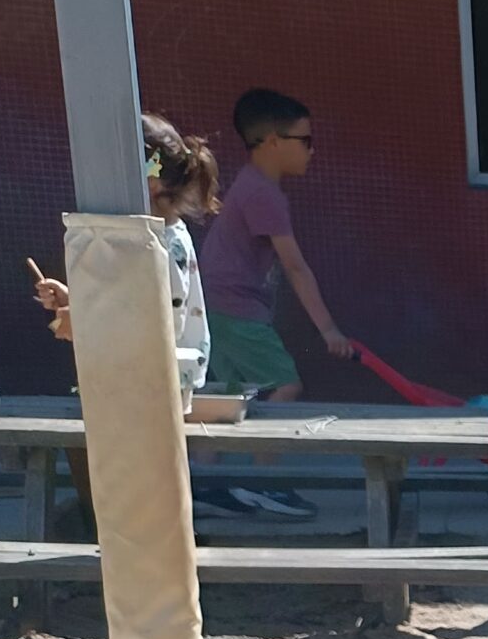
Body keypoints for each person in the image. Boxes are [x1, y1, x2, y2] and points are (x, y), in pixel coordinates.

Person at [30, 114, 311, 523]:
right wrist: (74, 303)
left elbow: (152, 323)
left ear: (149, 179)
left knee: (143, 501)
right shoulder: (157, 236)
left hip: (155, 383)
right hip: (152, 381)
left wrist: (84, 324)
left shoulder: (159, 244)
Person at [197, 88, 349, 405]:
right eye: (305, 141)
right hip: (235, 309)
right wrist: (329, 330)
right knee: (287, 385)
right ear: (273, 142)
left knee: (232, 396)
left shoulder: (253, 183)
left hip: (216, 306)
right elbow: (295, 267)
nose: (311, 150)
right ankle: (265, 441)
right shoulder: (263, 194)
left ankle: (225, 441)